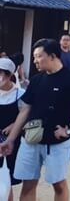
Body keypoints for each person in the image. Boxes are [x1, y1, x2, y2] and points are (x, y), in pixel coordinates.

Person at [0, 39, 70, 201]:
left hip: (57, 142)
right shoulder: (36, 80)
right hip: (31, 139)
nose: (34, 60)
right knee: (28, 184)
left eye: (38, 56)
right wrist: (11, 139)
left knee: (58, 184)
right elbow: (25, 110)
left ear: (53, 56)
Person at [0, 57, 26, 194]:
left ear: (9, 75)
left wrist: (14, 125)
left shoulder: (20, 94)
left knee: (6, 178)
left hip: (10, 142)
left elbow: (27, 116)